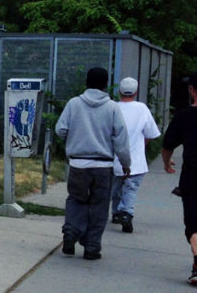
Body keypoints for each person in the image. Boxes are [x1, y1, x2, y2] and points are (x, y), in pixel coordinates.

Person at [56, 66, 131, 260]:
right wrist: (125, 163)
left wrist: (74, 139)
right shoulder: (113, 107)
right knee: (99, 205)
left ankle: (70, 233)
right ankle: (92, 246)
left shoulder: (74, 104)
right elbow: (121, 139)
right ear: (106, 85)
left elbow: (60, 129)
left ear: (86, 82)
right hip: (103, 166)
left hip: (78, 164)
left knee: (76, 199)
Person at [162, 70, 197, 286]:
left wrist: (167, 162)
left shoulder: (184, 117)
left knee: (196, 225)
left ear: (192, 90)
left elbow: (168, 145)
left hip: (194, 177)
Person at [110, 77, 161, 233]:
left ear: (119, 92)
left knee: (116, 188)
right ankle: (127, 213)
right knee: (131, 188)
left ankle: (116, 212)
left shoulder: (113, 108)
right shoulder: (142, 108)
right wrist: (142, 145)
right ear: (136, 92)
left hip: (114, 159)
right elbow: (151, 133)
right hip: (135, 161)